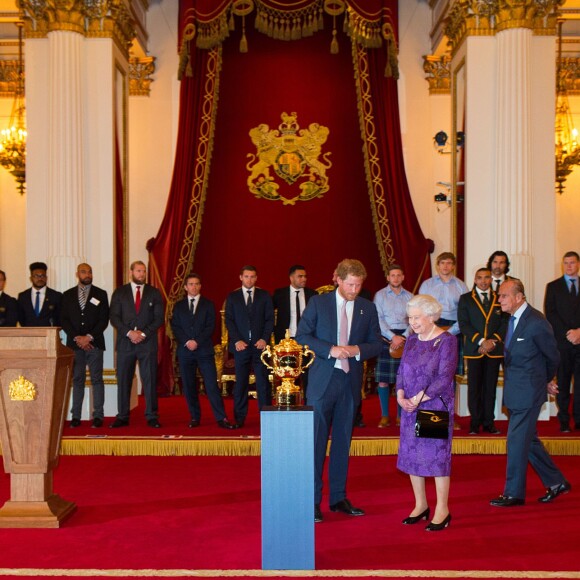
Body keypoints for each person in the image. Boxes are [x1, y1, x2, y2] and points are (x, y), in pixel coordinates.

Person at [296, 259, 381, 523]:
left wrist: (357, 350)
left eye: (359, 285)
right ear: (338, 279)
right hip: (323, 381)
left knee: (343, 443)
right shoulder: (318, 303)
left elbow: (377, 343)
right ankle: (312, 502)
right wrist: (329, 349)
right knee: (317, 444)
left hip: (349, 382)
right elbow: (302, 336)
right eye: (351, 284)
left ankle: (338, 498)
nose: (355, 290)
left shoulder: (368, 308)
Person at [490, 279, 570, 507]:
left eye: (503, 296)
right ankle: (557, 482)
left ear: (518, 297)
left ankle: (513, 493)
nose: (499, 300)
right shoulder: (512, 320)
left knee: (515, 441)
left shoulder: (536, 322)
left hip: (529, 392)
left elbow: (553, 357)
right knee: (528, 441)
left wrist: (544, 380)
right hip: (516, 390)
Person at [396, 294, 457, 531]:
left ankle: (442, 508)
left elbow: (445, 377)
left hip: (434, 407)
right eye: (410, 317)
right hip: (409, 407)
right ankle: (420, 505)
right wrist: (401, 396)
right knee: (413, 456)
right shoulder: (411, 340)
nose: (412, 322)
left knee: (436, 458)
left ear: (431, 316)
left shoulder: (446, 341)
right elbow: (402, 370)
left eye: (417, 317)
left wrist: (419, 398)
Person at [170, 273, 237, 429]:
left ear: (200, 286)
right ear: (186, 287)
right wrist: (187, 341)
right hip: (186, 352)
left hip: (204, 351)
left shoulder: (208, 304)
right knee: (189, 386)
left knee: (212, 386)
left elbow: (210, 327)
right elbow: (176, 327)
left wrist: (197, 341)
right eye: (191, 284)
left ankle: (221, 418)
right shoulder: (178, 306)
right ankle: (195, 417)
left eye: (197, 284)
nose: (194, 287)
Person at [109, 260, 164, 428]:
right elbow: (114, 317)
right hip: (126, 344)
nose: (142, 274)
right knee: (124, 380)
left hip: (147, 344)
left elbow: (158, 318)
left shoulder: (154, 293)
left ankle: (152, 415)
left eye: (144, 271)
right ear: (131, 272)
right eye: (139, 271)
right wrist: (129, 333)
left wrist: (143, 333)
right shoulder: (120, 292)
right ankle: (123, 416)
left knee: (149, 380)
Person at [457, 267, 507, 435]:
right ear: (475, 280)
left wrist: (491, 342)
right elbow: (464, 324)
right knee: (474, 387)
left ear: (491, 279)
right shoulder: (465, 299)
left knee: (490, 387)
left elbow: (504, 323)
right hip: (474, 348)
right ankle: (474, 422)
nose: (484, 281)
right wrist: (481, 341)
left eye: (487, 277)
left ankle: (489, 422)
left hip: (494, 349)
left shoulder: (499, 298)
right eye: (480, 278)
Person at [60, 263, 110, 428]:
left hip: (94, 344)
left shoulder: (101, 294)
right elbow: (64, 320)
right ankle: (76, 416)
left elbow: (104, 320)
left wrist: (88, 337)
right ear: (77, 274)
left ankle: (98, 415)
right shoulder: (67, 295)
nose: (87, 274)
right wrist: (77, 338)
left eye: (89, 271)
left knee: (97, 379)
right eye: (83, 271)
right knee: (78, 379)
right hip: (75, 346)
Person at [225, 265, 274, 427]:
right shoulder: (233, 297)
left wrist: (264, 339)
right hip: (241, 347)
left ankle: (266, 418)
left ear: (256, 278)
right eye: (246, 276)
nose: (249, 279)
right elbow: (229, 321)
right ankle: (239, 418)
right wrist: (237, 340)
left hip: (260, 347)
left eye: (253, 276)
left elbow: (269, 320)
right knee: (241, 384)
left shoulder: (264, 296)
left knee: (263, 383)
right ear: (241, 277)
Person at [544, 251, 580, 432]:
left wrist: (579, 332)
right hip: (563, 343)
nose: (569, 266)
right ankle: (564, 419)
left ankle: (579, 420)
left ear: (578, 264)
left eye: (572, 263)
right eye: (565, 263)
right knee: (563, 383)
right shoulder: (553, 287)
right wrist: (569, 333)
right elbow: (550, 314)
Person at [373, 264, 413, 427]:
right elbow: (378, 319)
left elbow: (414, 319)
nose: (395, 278)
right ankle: (384, 415)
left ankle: (399, 415)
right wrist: (392, 336)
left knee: (401, 380)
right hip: (386, 338)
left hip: (406, 338)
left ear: (403, 277)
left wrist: (403, 336)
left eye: (398, 275)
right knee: (383, 380)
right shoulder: (380, 296)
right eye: (392, 275)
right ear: (388, 277)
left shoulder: (410, 296)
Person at [272, 265, 317, 343]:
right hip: (285, 338)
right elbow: (268, 312)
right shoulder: (280, 294)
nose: (304, 279)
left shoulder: (312, 294)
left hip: (307, 337)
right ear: (291, 278)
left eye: (305, 276)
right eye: (300, 276)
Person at [17, 262, 62, 327]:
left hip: (50, 335)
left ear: (46, 278)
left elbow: (60, 318)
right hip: (28, 334)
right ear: (31, 278)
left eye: (42, 276)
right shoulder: (23, 296)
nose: (40, 278)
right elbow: (21, 318)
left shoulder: (56, 296)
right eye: (36, 276)